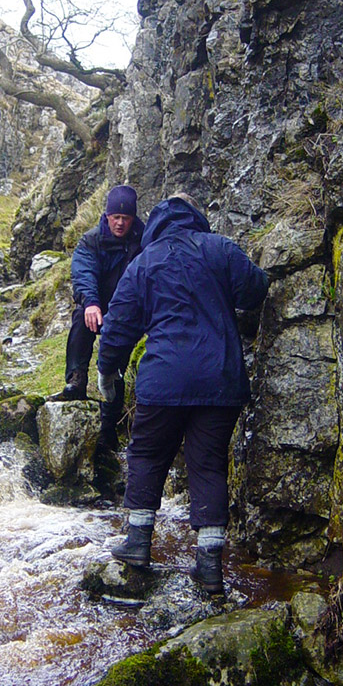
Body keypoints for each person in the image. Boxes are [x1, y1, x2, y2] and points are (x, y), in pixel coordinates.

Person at [96, 193, 269, 594]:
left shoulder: (144, 262)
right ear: (196, 216)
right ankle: (209, 566)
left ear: (155, 221)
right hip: (220, 379)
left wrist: (106, 373)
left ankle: (138, 543)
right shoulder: (220, 248)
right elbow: (255, 290)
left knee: (147, 454)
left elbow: (118, 325)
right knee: (208, 464)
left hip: (163, 381)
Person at [62, 184, 145, 449]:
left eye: (125, 218)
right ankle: (76, 380)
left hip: (127, 314)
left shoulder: (143, 242)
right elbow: (83, 272)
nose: (120, 223)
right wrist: (91, 303)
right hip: (97, 305)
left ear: (133, 218)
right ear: (107, 216)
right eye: (115, 217)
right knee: (80, 320)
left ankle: (111, 418)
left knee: (117, 362)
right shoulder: (91, 240)